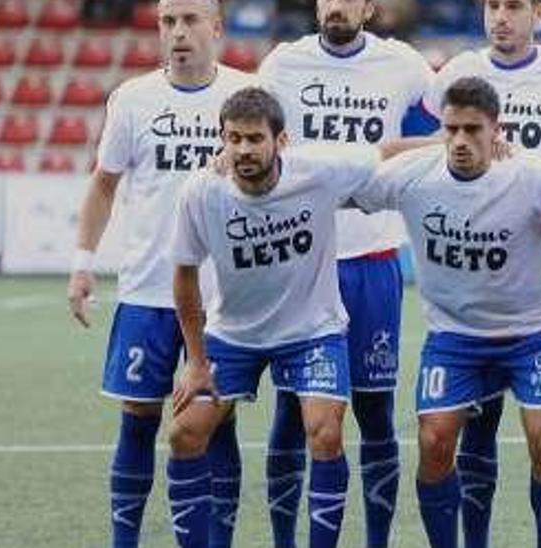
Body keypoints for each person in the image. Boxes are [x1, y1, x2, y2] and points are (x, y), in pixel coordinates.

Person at [66, 1, 254, 545]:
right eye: (168, 21)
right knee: (138, 416)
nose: (179, 32)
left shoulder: (244, 97)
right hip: (147, 289)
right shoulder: (133, 99)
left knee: (215, 421)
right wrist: (82, 263)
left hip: (223, 298)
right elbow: (104, 184)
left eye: (191, 20)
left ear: (216, 28)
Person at [166, 87, 386, 548]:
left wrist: (446, 141)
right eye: (234, 139)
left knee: (324, 433)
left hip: (313, 333)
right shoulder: (201, 192)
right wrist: (196, 361)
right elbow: (184, 275)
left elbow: (384, 152)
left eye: (254, 139)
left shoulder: (320, 173)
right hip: (234, 336)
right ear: (221, 140)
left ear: (280, 140)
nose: (243, 149)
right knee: (185, 433)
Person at [364, 77, 541, 548]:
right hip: (454, 337)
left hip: (532, 333)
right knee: (434, 441)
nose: (460, 141)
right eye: (451, 129)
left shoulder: (531, 172)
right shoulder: (415, 172)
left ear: (496, 129)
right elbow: (350, 178)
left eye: (473, 130)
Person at [255, 0, 437, 545]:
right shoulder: (282, 65)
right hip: (301, 261)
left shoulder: (404, 65)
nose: (336, 4)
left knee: (375, 411)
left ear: (369, 7)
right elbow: (249, 137)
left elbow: (434, 143)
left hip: (373, 261)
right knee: (292, 412)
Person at [424, 3, 541, 543]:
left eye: (514, 5)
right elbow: (439, 149)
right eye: (492, 5)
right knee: (475, 428)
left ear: (538, 11)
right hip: (476, 274)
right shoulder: (457, 72)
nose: (501, 16)